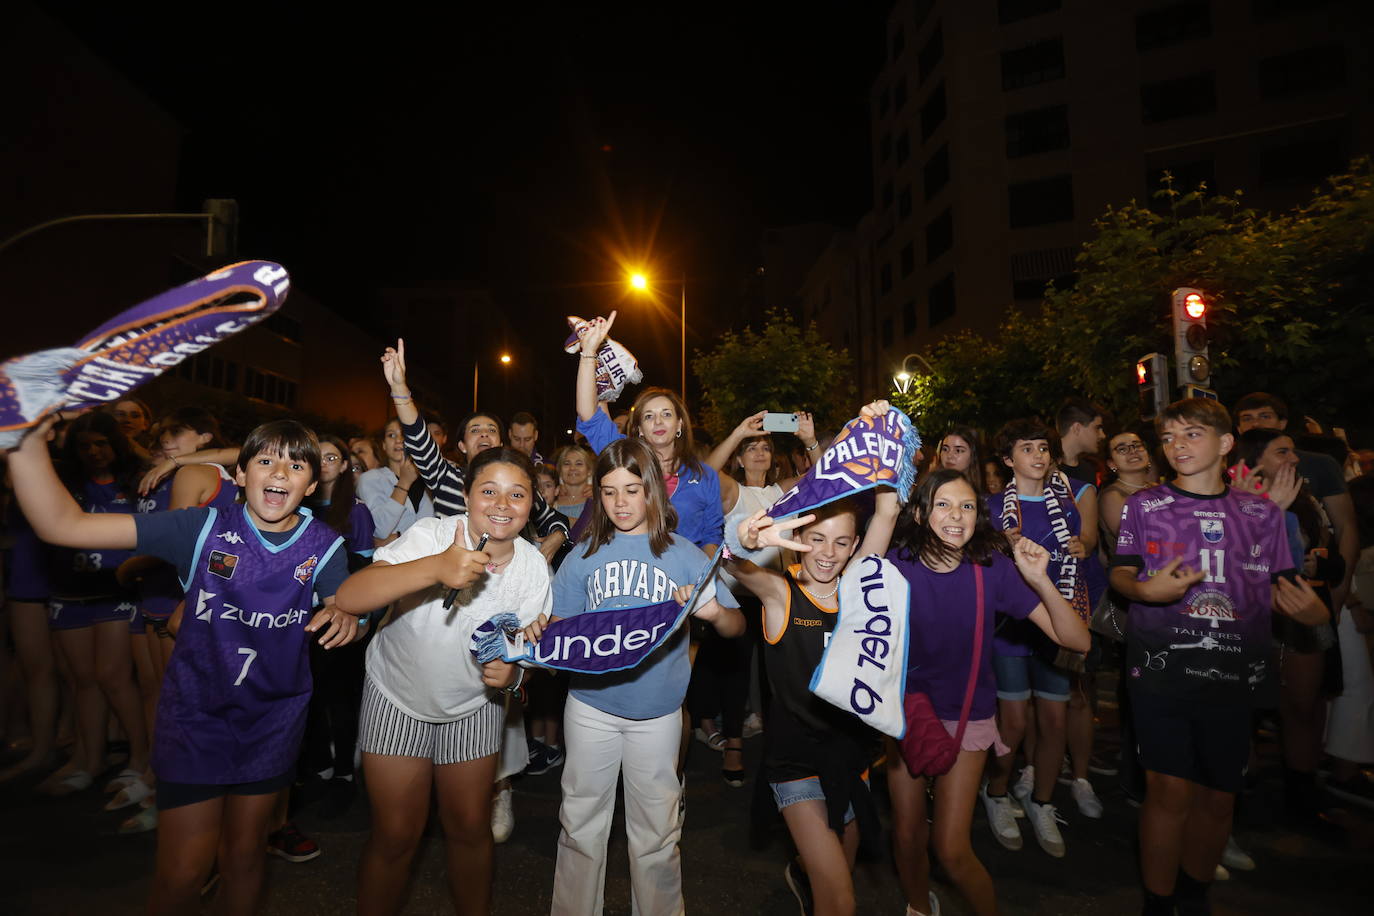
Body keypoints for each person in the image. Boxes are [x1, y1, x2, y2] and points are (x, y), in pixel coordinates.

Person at [6, 416, 357, 915]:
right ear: (239, 474)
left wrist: (349, 610)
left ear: (312, 482)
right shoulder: (201, 526)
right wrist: (22, 441)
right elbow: (63, 525)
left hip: (272, 721)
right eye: (265, 460)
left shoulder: (323, 544)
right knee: (183, 872)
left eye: (295, 463)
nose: (280, 471)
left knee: (244, 859)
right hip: (197, 718)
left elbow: (352, 604)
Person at [1110, 398, 1328, 916]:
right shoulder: (1144, 506)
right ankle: (1158, 905)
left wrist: (1315, 613)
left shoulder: (1260, 515)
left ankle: (1194, 894)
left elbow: (1285, 585)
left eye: (1190, 434)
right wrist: (1145, 592)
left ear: (1226, 443)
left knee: (1218, 796)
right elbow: (1121, 572)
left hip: (1235, 672)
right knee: (1169, 791)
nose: (1177, 446)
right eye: (1168, 437)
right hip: (1161, 668)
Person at [862, 460, 1089, 916]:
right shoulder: (894, 566)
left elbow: (1076, 639)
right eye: (943, 504)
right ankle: (917, 906)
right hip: (905, 712)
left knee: (950, 847)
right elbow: (852, 596)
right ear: (922, 514)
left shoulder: (993, 570)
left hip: (967, 716)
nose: (956, 515)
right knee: (906, 833)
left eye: (967, 506)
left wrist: (1040, 579)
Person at [530, 438, 743, 915]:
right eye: (608, 491)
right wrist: (538, 634)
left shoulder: (685, 553)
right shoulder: (582, 555)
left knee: (656, 834)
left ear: (652, 490)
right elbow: (562, 632)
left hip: (658, 714)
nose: (621, 502)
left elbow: (736, 624)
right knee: (581, 825)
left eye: (632, 489)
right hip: (590, 709)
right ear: (597, 495)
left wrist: (710, 611)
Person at [337, 446, 550, 916]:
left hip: (474, 705)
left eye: (517, 494)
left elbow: (528, 651)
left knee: (470, 828)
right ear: (467, 497)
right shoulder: (431, 535)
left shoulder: (533, 567)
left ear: (532, 503)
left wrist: (515, 674)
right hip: (396, 696)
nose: (501, 504)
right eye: (488, 491)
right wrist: (435, 569)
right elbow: (352, 596)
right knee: (396, 834)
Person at [730, 500, 877, 916]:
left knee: (837, 880)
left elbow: (885, 517)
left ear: (855, 548)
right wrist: (742, 542)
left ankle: (802, 871)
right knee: (842, 901)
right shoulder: (782, 594)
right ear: (797, 541)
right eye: (817, 540)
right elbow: (731, 567)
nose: (828, 552)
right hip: (796, 764)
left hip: (852, 762)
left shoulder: (865, 596)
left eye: (840, 542)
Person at [983, 417, 1093, 854]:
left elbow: (1081, 555)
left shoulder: (1068, 505)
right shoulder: (989, 507)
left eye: (1043, 448)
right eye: (1027, 449)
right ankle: (996, 792)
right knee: (1012, 722)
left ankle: (1042, 801)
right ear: (1009, 460)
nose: (1039, 456)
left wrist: (1082, 548)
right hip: (1009, 627)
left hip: (1056, 623)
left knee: (1053, 721)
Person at [700, 410, 817, 784]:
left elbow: (824, 479)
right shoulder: (735, 493)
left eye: (765, 447)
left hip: (780, 593)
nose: (760, 453)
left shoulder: (782, 491)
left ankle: (780, 756)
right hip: (741, 594)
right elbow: (700, 474)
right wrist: (737, 432)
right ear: (739, 457)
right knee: (736, 674)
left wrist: (809, 440)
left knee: (778, 677)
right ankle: (733, 745)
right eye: (752, 448)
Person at [37, 412, 149, 799]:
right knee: (83, 682)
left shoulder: (136, 482)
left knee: (114, 678)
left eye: (102, 443)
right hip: (69, 591)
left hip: (116, 594)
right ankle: (89, 759)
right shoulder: (64, 483)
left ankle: (140, 761)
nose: (94, 452)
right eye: (85, 445)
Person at [1235, 428, 1343, 823]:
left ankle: (1302, 798)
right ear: (1255, 459)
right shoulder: (1232, 502)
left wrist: (1326, 566)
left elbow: (1329, 553)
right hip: (1253, 620)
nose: (1295, 460)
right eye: (1283, 452)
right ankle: (1238, 802)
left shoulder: (1304, 500)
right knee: (1243, 713)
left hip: (1300, 614)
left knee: (1303, 708)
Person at [573, 312, 724, 551]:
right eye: (649, 416)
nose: (658, 422)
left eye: (666, 414)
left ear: (679, 425)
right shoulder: (623, 457)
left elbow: (712, 534)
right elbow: (588, 415)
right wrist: (589, 352)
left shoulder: (705, 476)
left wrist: (700, 579)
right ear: (639, 429)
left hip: (687, 582)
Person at [1235, 393, 1358, 618]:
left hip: (1305, 597)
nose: (1255, 424)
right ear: (1239, 428)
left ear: (1282, 423)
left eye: (1264, 416)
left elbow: (1344, 529)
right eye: (1247, 418)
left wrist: (1338, 592)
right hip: (1253, 605)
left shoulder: (1317, 466)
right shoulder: (1224, 479)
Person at [357, 417, 434, 545]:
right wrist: (404, 483)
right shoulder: (370, 479)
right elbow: (380, 529)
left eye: (404, 435)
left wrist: (397, 537)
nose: (399, 440)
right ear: (384, 445)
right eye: (391, 435)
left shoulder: (429, 481)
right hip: (390, 562)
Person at [928, 425, 986, 494]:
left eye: (958, 450)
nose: (949, 455)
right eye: (945, 449)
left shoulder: (984, 498)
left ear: (973, 455)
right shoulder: (930, 489)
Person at [554, 445, 594, 522]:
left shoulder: (598, 500)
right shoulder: (551, 499)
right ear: (560, 470)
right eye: (567, 463)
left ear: (589, 471)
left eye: (579, 464)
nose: (572, 468)